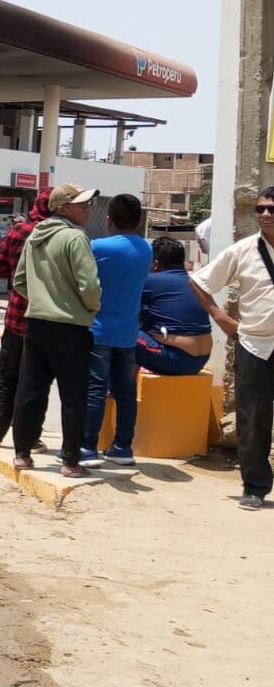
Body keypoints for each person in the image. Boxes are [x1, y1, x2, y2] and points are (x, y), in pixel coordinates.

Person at [190, 186, 274, 510]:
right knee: (252, 418)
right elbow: (199, 281)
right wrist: (219, 316)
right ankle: (254, 486)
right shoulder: (244, 250)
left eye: (271, 209)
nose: (265, 214)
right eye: (260, 209)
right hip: (254, 343)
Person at [12, 184, 102, 477]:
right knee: (74, 396)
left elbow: (20, 282)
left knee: (31, 391)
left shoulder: (35, 236)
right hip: (71, 326)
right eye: (81, 204)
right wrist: (91, 307)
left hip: (37, 323)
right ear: (62, 208)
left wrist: (41, 300)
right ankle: (70, 460)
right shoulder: (76, 238)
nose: (87, 209)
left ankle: (22, 454)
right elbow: (89, 285)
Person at [78, 194, 152, 468]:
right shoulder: (146, 249)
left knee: (95, 389)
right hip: (128, 332)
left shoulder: (97, 247)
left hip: (98, 330)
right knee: (125, 391)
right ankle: (123, 446)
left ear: (108, 220)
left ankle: (87, 447)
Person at [0, 188, 51, 449]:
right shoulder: (58, 234)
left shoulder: (17, 230)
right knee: (36, 383)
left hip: (15, 316)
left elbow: (0, 268)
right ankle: (30, 438)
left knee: (7, 377)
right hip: (44, 319)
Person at [135, 237, 212, 377]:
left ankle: (120, 387)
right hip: (201, 360)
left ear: (156, 264)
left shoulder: (150, 281)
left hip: (175, 360)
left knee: (121, 332)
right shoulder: (195, 282)